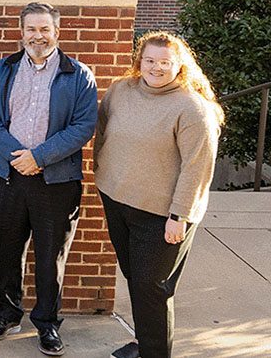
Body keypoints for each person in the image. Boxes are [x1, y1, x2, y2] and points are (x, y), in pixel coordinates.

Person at [0, 2, 98, 357]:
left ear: (57, 32)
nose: (38, 36)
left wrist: (39, 158)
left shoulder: (77, 75)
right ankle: (7, 313)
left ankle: (47, 324)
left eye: (45, 29)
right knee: (9, 250)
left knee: (50, 255)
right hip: (9, 176)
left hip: (56, 180)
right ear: (21, 32)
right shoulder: (5, 68)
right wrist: (17, 156)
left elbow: (83, 126)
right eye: (31, 29)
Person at [94, 32, 223, 358]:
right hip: (118, 200)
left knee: (153, 288)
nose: (156, 68)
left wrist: (179, 215)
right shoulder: (121, 90)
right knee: (135, 278)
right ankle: (142, 343)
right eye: (150, 60)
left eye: (165, 62)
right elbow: (103, 129)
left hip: (163, 215)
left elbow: (197, 169)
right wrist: (102, 174)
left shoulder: (192, 108)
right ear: (140, 61)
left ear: (179, 65)